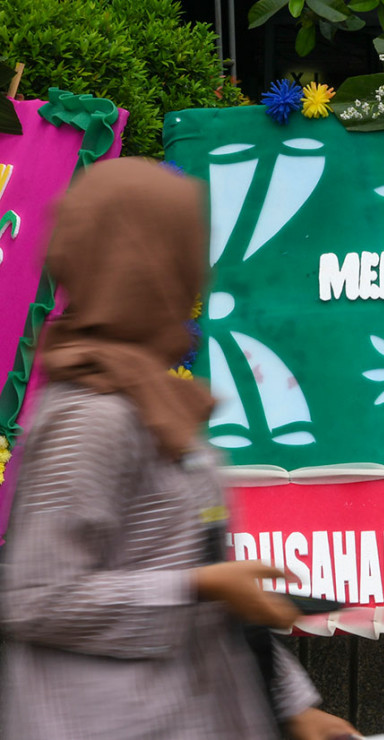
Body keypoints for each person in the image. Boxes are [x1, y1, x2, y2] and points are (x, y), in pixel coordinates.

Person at [0, 158, 359, 740]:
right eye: (180, 249)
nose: (195, 275)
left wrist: (294, 706)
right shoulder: (91, 414)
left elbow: (197, 565)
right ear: (142, 265)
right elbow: (36, 597)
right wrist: (200, 587)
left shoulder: (150, 397)